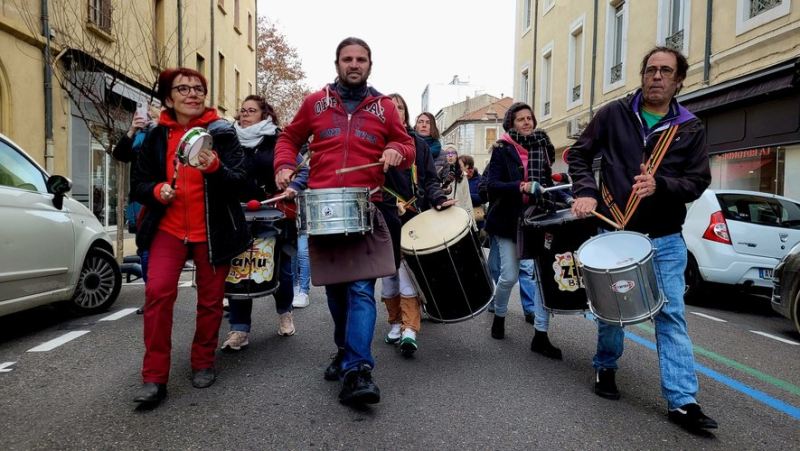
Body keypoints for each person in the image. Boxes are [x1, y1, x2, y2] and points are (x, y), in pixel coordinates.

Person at [569, 47, 717, 431]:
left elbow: (698, 181)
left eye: (665, 71)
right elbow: (579, 156)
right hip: (616, 232)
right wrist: (585, 190)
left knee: (670, 315)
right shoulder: (613, 114)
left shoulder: (690, 126)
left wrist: (662, 185)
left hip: (665, 237)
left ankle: (683, 402)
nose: (656, 76)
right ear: (642, 75)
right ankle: (605, 367)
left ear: (678, 80)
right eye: (651, 69)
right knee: (612, 311)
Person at [274, 37, 415, 404]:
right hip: (324, 210)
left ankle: (358, 369)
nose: (354, 64)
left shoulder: (385, 108)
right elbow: (289, 137)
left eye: (361, 59)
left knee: (360, 290)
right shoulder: (315, 103)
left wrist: (395, 149)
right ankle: (343, 349)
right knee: (336, 292)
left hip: (367, 209)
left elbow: (408, 146)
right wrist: (285, 165)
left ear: (370, 65)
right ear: (337, 64)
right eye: (347, 59)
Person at [130, 67, 251, 405]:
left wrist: (215, 168)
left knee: (211, 301)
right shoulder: (156, 137)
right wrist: (157, 189)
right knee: (157, 294)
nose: (192, 94)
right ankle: (154, 377)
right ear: (168, 98)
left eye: (198, 88)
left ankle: (203, 361)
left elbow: (243, 182)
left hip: (214, 232)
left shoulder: (223, 133)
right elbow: (137, 184)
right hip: (167, 228)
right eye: (183, 89)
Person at [220, 95, 309, 352]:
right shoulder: (228, 140)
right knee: (238, 273)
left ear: (264, 114)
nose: (245, 114)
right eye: (242, 110)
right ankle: (239, 329)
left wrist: (293, 186)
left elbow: (302, 169)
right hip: (237, 216)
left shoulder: (278, 139)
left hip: (274, 214)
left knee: (280, 270)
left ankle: (285, 312)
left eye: (252, 110)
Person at [485, 102, 563, 359]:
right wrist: (521, 186)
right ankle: (499, 314)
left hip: (538, 219)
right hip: (508, 222)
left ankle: (541, 335)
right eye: (521, 119)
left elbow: (547, 181)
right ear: (511, 123)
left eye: (530, 118)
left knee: (542, 279)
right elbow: (492, 185)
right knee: (509, 276)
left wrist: (568, 195)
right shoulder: (502, 149)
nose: (527, 122)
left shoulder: (542, 145)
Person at [380, 93, 455, 356]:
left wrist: (438, 199)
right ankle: (395, 322)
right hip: (383, 216)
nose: (394, 111)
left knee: (407, 274)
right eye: (388, 107)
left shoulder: (418, 144)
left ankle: (410, 329)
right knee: (388, 275)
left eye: (398, 107)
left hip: (414, 216)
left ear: (405, 113)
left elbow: (430, 181)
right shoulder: (373, 142)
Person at [292, 143, 312, 309]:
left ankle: (304, 290)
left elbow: (307, 175)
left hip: (306, 210)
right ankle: (294, 287)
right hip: (288, 210)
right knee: (290, 253)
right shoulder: (283, 155)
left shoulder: (303, 157)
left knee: (303, 251)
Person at [438, 145, 474, 223]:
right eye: (447, 153)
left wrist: (472, 220)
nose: (450, 155)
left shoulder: (462, 175)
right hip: (442, 215)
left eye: (453, 152)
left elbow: (467, 198)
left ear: (457, 156)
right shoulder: (437, 173)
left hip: (459, 215)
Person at [459, 155, 485, 230]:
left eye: (460, 165)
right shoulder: (457, 178)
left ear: (467, 166)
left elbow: (482, 198)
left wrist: (466, 196)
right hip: (461, 219)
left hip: (476, 220)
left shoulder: (479, 180)